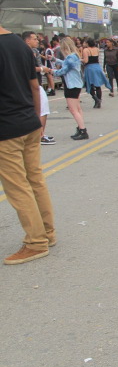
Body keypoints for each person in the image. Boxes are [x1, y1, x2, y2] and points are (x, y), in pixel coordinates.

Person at [0, 23, 56, 265]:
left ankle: (35, 242)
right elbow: (35, 86)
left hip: (6, 128)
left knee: (17, 186)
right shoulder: (20, 45)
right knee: (35, 179)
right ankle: (47, 232)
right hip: (28, 121)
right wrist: (35, 118)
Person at [22, 32, 56, 145]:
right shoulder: (25, 52)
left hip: (36, 83)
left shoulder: (34, 51)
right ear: (27, 40)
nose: (37, 41)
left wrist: (44, 68)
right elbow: (28, 68)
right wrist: (42, 70)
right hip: (33, 84)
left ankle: (39, 134)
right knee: (43, 108)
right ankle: (39, 135)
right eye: (34, 39)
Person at [53, 38, 89, 140]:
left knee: (73, 109)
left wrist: (50, 71)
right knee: (77, 109)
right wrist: (54, 59)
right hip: (76, 84)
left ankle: (82, 130)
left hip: (71, 85)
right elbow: (66, 64)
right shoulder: (74, 56)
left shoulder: (70, 57)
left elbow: (63, 70)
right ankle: (80, 127)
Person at [82, 38, 111, 109]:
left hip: (90, 68)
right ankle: (99, 101)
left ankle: (96, 99)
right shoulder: (97, 49)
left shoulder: (86, 50)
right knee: (98, 85)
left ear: (87, 43)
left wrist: (80, 59)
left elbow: (86, 61)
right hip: (97, 67)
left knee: (90, 84)